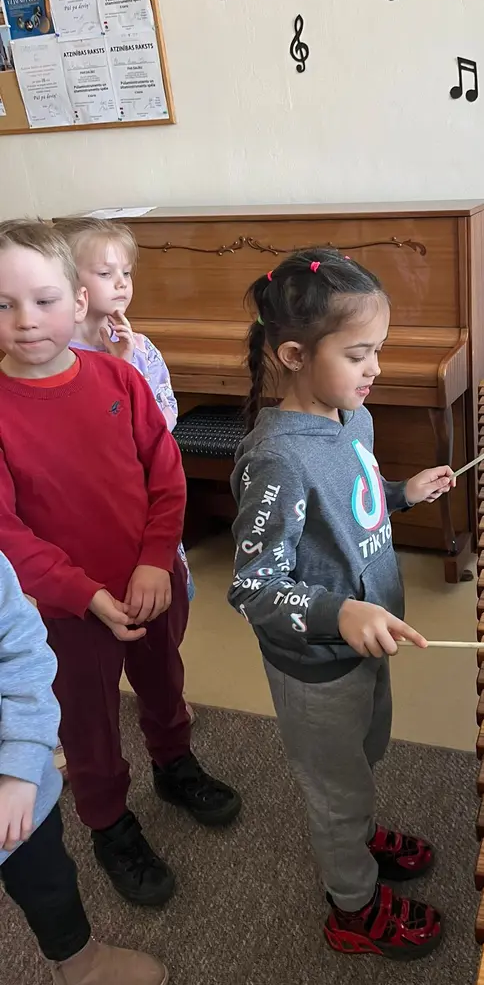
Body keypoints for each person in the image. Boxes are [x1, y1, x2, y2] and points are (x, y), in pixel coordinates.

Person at [0, 220, 241, 909]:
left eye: (44, 300)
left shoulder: (120, 378)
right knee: (87, 723)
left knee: (164, 681)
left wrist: (156, 561)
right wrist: (83, 594)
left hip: (149, 583)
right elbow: (7, 533)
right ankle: (109, 822)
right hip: (64, 612)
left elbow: (166, 477)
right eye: (3, 305)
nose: (25, 320)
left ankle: (174, 763)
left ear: (79, 302)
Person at [228, 247, 454, 961]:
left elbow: (348, 506)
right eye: (358, 354)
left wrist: (401, 495)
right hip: (316, 664)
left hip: (363, 639)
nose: (374, 368)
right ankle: (351, 906)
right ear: (294, 355)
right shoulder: (277, 459)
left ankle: (357, 832)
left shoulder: (351, 417)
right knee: (334, 790)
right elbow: (254, 586)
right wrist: (339, 613)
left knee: (363, 754)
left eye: (377, 350)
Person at [0, 549, 168, 985]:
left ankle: (80, 961)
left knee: (48, 881)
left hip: (20, 794)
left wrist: (19, 765)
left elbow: (23, 652)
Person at [54, 216, 195, 605]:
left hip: (146, 486)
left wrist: (128, 367)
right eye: (105, 273)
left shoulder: (142, 347)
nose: (121, 283)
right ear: (67, 282)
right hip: (94, 499)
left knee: (159, 590)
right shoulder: (56, 358)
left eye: (127, 273)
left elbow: (162, 420)